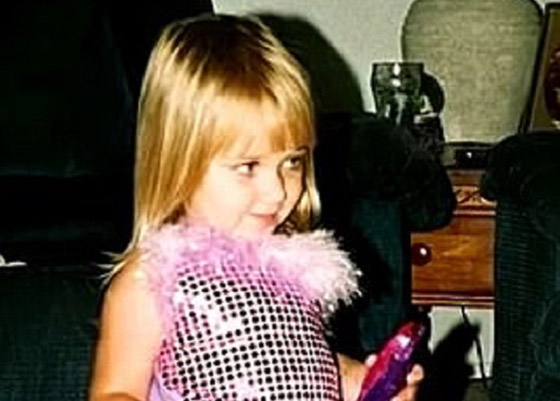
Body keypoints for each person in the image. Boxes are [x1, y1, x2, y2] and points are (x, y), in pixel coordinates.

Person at [88, 13, 423, 401]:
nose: (277, 191)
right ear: (177, 161)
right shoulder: (152, 280)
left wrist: (368, 383)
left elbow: (308, 368)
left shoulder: (292, 272)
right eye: (248, 166)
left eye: (292, 162)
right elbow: (114, 392)